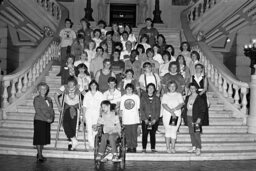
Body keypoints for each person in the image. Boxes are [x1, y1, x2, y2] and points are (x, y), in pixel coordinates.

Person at [54, 76, 81, 151]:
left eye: (72, 82)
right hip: (67, 108)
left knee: (73, 125)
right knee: (65, 123)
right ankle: (74, 140)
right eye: (69, 82)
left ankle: (71, 142)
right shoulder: (64, 87)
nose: (70, 84)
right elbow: (55, 95)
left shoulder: (78, 87)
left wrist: (83, 105)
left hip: (75, 108)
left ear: (74, 82)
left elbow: (86, 95)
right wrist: (59, 106)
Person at [183, 82, 207, 156]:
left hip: (196, 118)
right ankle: (193, 147)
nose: (192, 89)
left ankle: (198, 148)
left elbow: (203, 110)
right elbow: (185, 108)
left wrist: (199, 118)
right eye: (191, 88)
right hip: (189, 117)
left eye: (193, 88)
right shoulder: (187, 97)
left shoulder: (199, 98)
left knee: (197, 133)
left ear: (196, 88)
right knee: (191, 133)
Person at [33, 82, 55, 162]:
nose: (43, 90)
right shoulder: (37, 99)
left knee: (43, 139)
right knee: (39, 139)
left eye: (45, 88)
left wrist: (52, 118)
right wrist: (46, 119)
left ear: (47, 90)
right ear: (38, 90)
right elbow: (38, 111)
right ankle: (39, 155)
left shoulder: (48, 99)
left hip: (47, 121)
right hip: (39, 120)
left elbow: (51, 110)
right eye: (41, 89)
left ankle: (40, 154)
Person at [161, 81, 184, 153]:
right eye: (171, 86)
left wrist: (174, 110)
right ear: (168, 87)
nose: (172, 88)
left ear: (176, 87)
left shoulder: (179, 95)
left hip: (176, 115)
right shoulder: (165, 95)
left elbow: (181, 104)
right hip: (167, 115)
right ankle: (167, 147)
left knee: (174, 131)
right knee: (168, 130)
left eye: (174, 86)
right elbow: (164, 104)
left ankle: (173, 147)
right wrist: (171, 111)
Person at [83, 80, 104, 150]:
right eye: (92, 85)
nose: (93, 86)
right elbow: (84, 106)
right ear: (90, 86)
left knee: (95, 129)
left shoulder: (100, 94)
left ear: (97, 86)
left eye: (94, 85)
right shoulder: (87, 94)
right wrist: (83, 116)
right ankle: (91, 145)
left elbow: (102, 106)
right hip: (88, 113)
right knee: (89, 129)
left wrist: (101, 115)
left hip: (96, 113)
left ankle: (95, 144)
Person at [140, 83, 161, 153]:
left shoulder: (157, 99)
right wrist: (144, 119)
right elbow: (141, 109)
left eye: (152, 88)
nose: (150, 89)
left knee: (152, 134)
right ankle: (143, 148)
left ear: (154, 89)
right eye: (149, 88)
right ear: (147, 89)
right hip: (145, 119)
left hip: (154, 119)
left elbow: (158, 110)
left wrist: (155, 119)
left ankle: (153, 148)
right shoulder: (143, 98)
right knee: (144, 134)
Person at [120, 83, 140, 153]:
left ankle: (134, 147)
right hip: (126, 119)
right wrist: (121, 119)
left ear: (132, 90)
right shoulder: (123, 98)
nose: (129, 90)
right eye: (127, 89)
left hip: (134, 118)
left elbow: (138, 108)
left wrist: (138, 120)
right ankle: (128, 146)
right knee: (128, 134)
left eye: (130, 89)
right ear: (125, 90)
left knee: (134, 134)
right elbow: (121, 109)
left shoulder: (136, 97)